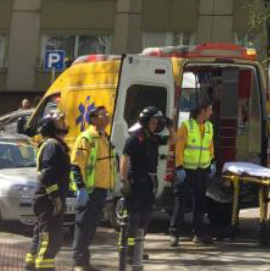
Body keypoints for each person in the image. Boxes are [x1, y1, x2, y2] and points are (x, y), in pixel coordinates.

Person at [120, 106, 166, 272]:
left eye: (156, 123)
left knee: (146, 217)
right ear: (145, 122)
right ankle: (129, 252)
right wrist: (123, 180)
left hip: (149, 184)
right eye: (152, 122)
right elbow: (124, 159)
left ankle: (138, 249)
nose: (154, 125)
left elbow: (174, 139)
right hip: (136, 183)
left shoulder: (154, 138)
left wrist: (170, 124)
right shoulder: (134, 138)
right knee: (134, 218)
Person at [26, 112, 70, 271]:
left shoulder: (49, 144)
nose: (63, 126)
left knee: (40, 234)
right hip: (48, 200)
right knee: (49, 238)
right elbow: (47, 175)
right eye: (59, 124)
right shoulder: (52, 145)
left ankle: (31, 265)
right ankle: (44, 268)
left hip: (43, 198)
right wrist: (55, 198)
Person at [71, 106, 114, 272]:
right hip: (89, 191)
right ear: (94, 118)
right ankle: (78, 263)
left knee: (91, 228)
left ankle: (85, 261)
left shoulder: (103, 137)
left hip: (101, 190)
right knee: (83, 226)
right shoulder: (86, 138)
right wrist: (81, 188)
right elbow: (76, 165)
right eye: (103, 114)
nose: (107, 116)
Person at [169, 100, 216, 246]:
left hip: (202, 170)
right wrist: (179, 167)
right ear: (202, 110)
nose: (211, 112)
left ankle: (198, 234)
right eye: (209, 109)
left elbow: (209, 146)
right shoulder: (186, 126)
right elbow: (179, 148)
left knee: (200, 203)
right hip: (187, 170)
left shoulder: (209, 126)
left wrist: (212, 161)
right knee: (181, 202)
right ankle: (174, 234)